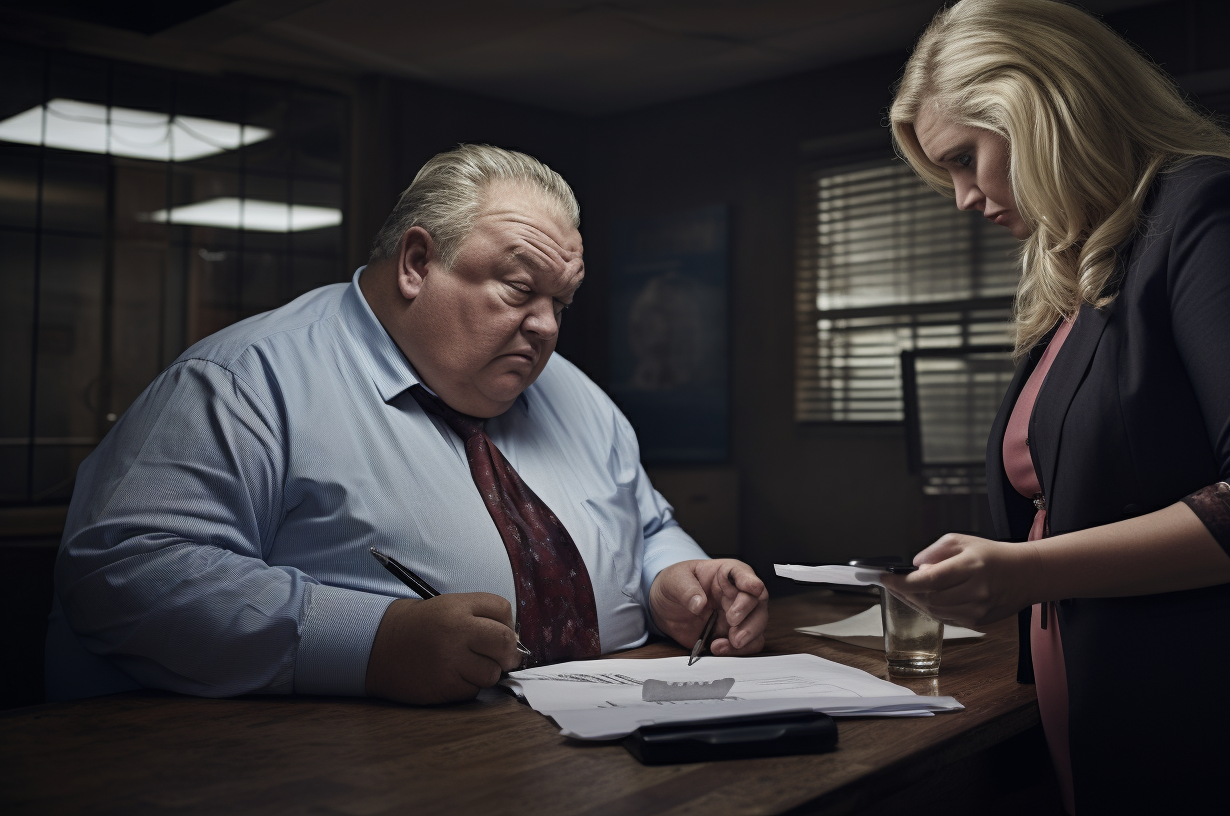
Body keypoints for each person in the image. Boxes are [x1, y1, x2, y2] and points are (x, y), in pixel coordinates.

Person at [878, 1, 1230, 813]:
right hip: (1108, 705)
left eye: (964, 159)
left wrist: (1022, 572)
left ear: (1038, 109)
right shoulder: (1086, 265)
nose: (960, 198)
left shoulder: (1214, 212)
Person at [46, 145, 768, 705]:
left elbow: (644, 524)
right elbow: (125, 572)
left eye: (562, 301)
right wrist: (370, 644)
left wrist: (674, 574)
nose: (546, 327)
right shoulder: (243, 382)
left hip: (606, 751)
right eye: (520, 288)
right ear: (418, 261)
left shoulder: (576, 396)